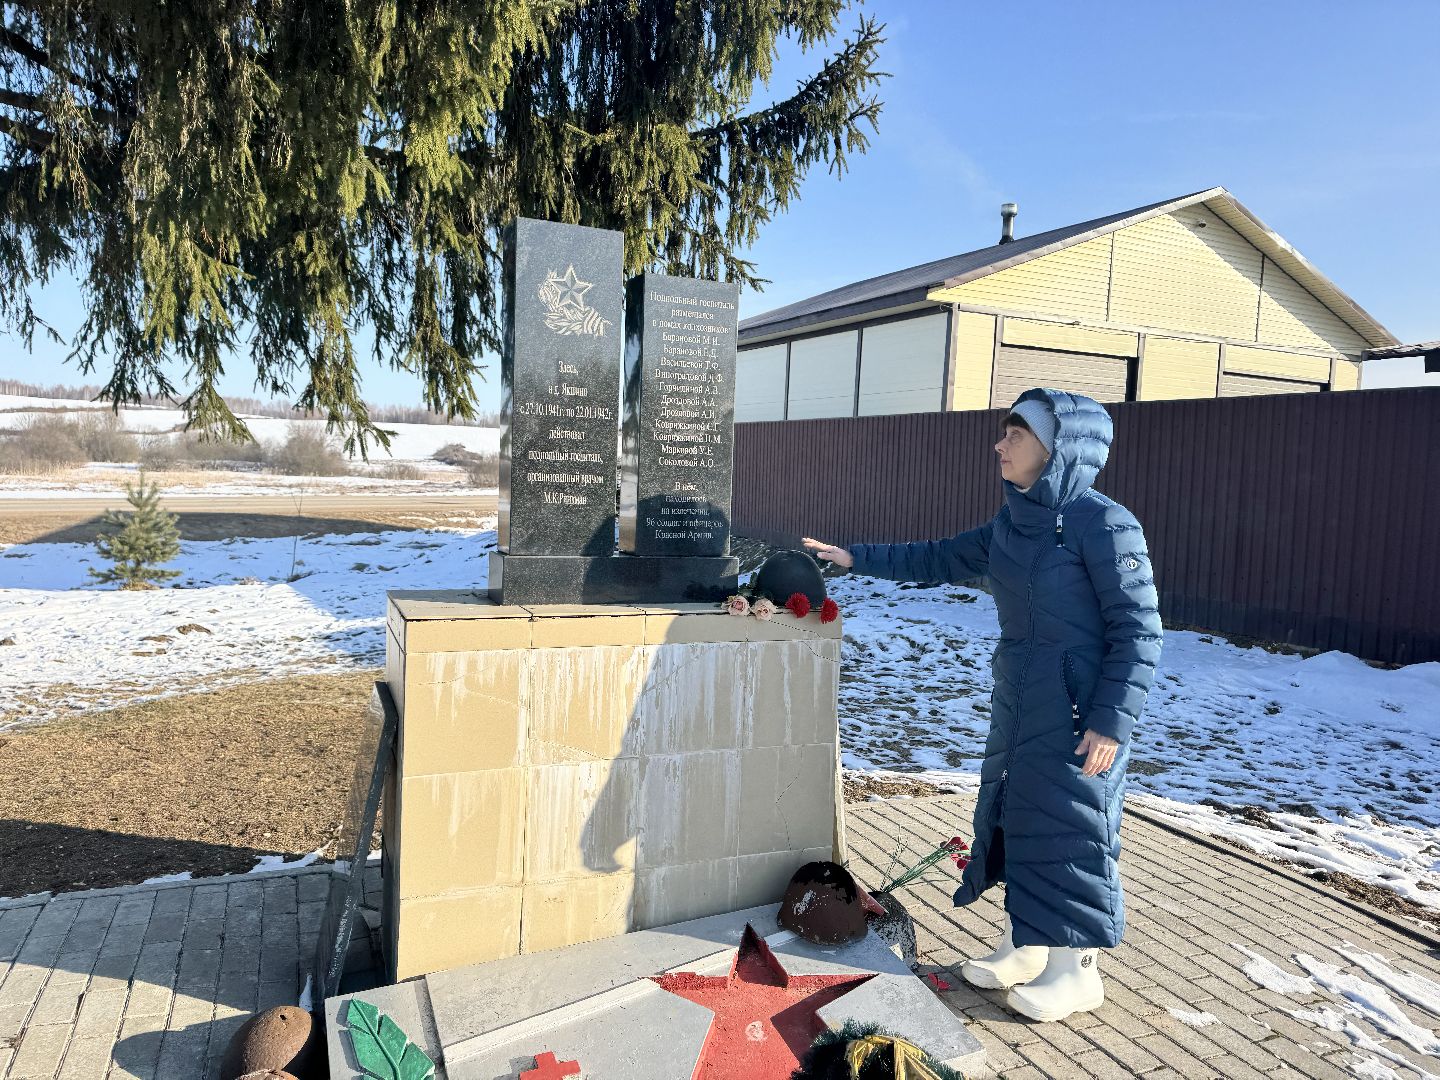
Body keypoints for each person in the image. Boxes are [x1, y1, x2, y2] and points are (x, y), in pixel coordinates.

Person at [803, 387, 1162, 1023]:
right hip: (1020, 697)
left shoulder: (1104, 524)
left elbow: (1138, 629)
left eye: (1016, 434)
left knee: (1073, 826)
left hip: (1082, 712)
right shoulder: (1012, 522)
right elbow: (937, 556)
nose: (1000, 445)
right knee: (1015, 817)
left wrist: (1112, 720)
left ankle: (1076, 970)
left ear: (1058, 449)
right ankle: (1028, 946)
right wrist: (854, 557)